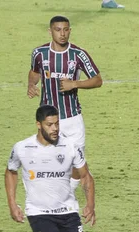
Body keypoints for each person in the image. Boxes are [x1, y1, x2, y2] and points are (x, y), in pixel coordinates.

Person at [27, 15, 103, 193]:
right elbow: (34, 72)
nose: (62, 34)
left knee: (78, 162)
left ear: (70, 31)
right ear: (50, 31)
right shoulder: (39, 53)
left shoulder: (78, 54)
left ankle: (69, 190)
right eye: (58, 29)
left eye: (66, 29)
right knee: (50, 160)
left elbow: (98, 80)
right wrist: (31, 85)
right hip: (48, 119)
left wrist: (75, 83)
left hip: (72, 118)